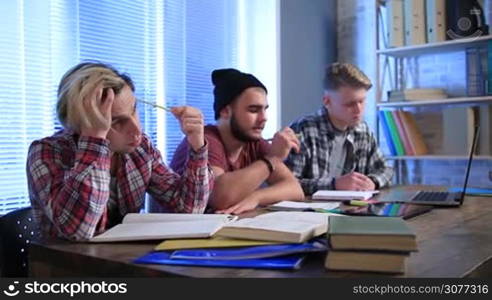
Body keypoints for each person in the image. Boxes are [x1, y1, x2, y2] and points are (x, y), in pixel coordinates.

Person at [26, 62, 213, 241]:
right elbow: (79, 231)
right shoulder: (46, 153)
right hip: (67, 268)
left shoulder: (139, 149)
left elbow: (189, 209)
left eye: (134, 111)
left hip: (123, 261)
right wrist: (95, 140)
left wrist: (197, 145)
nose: (137, 130)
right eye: (116, 121)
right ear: (79, 124)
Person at [170, 68, 304, 214]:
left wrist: (256, 197)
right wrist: (272, 159)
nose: (263, 117)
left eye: (265, 109)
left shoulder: (253, 141)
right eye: (253, 110)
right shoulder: (203, 141)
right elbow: (219, 197)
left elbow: (295, 189)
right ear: (225, 111)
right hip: (175, 232)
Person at [285, 62, 393, 195]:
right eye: (350, 104)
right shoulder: (303, 130)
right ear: (327, 102)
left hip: (353, 211)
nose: (358, 110)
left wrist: (373, 181)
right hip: (312, 213)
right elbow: (287, 185)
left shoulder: (362, 130)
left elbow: (386, 170)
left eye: (362, 101)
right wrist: (334, 184)